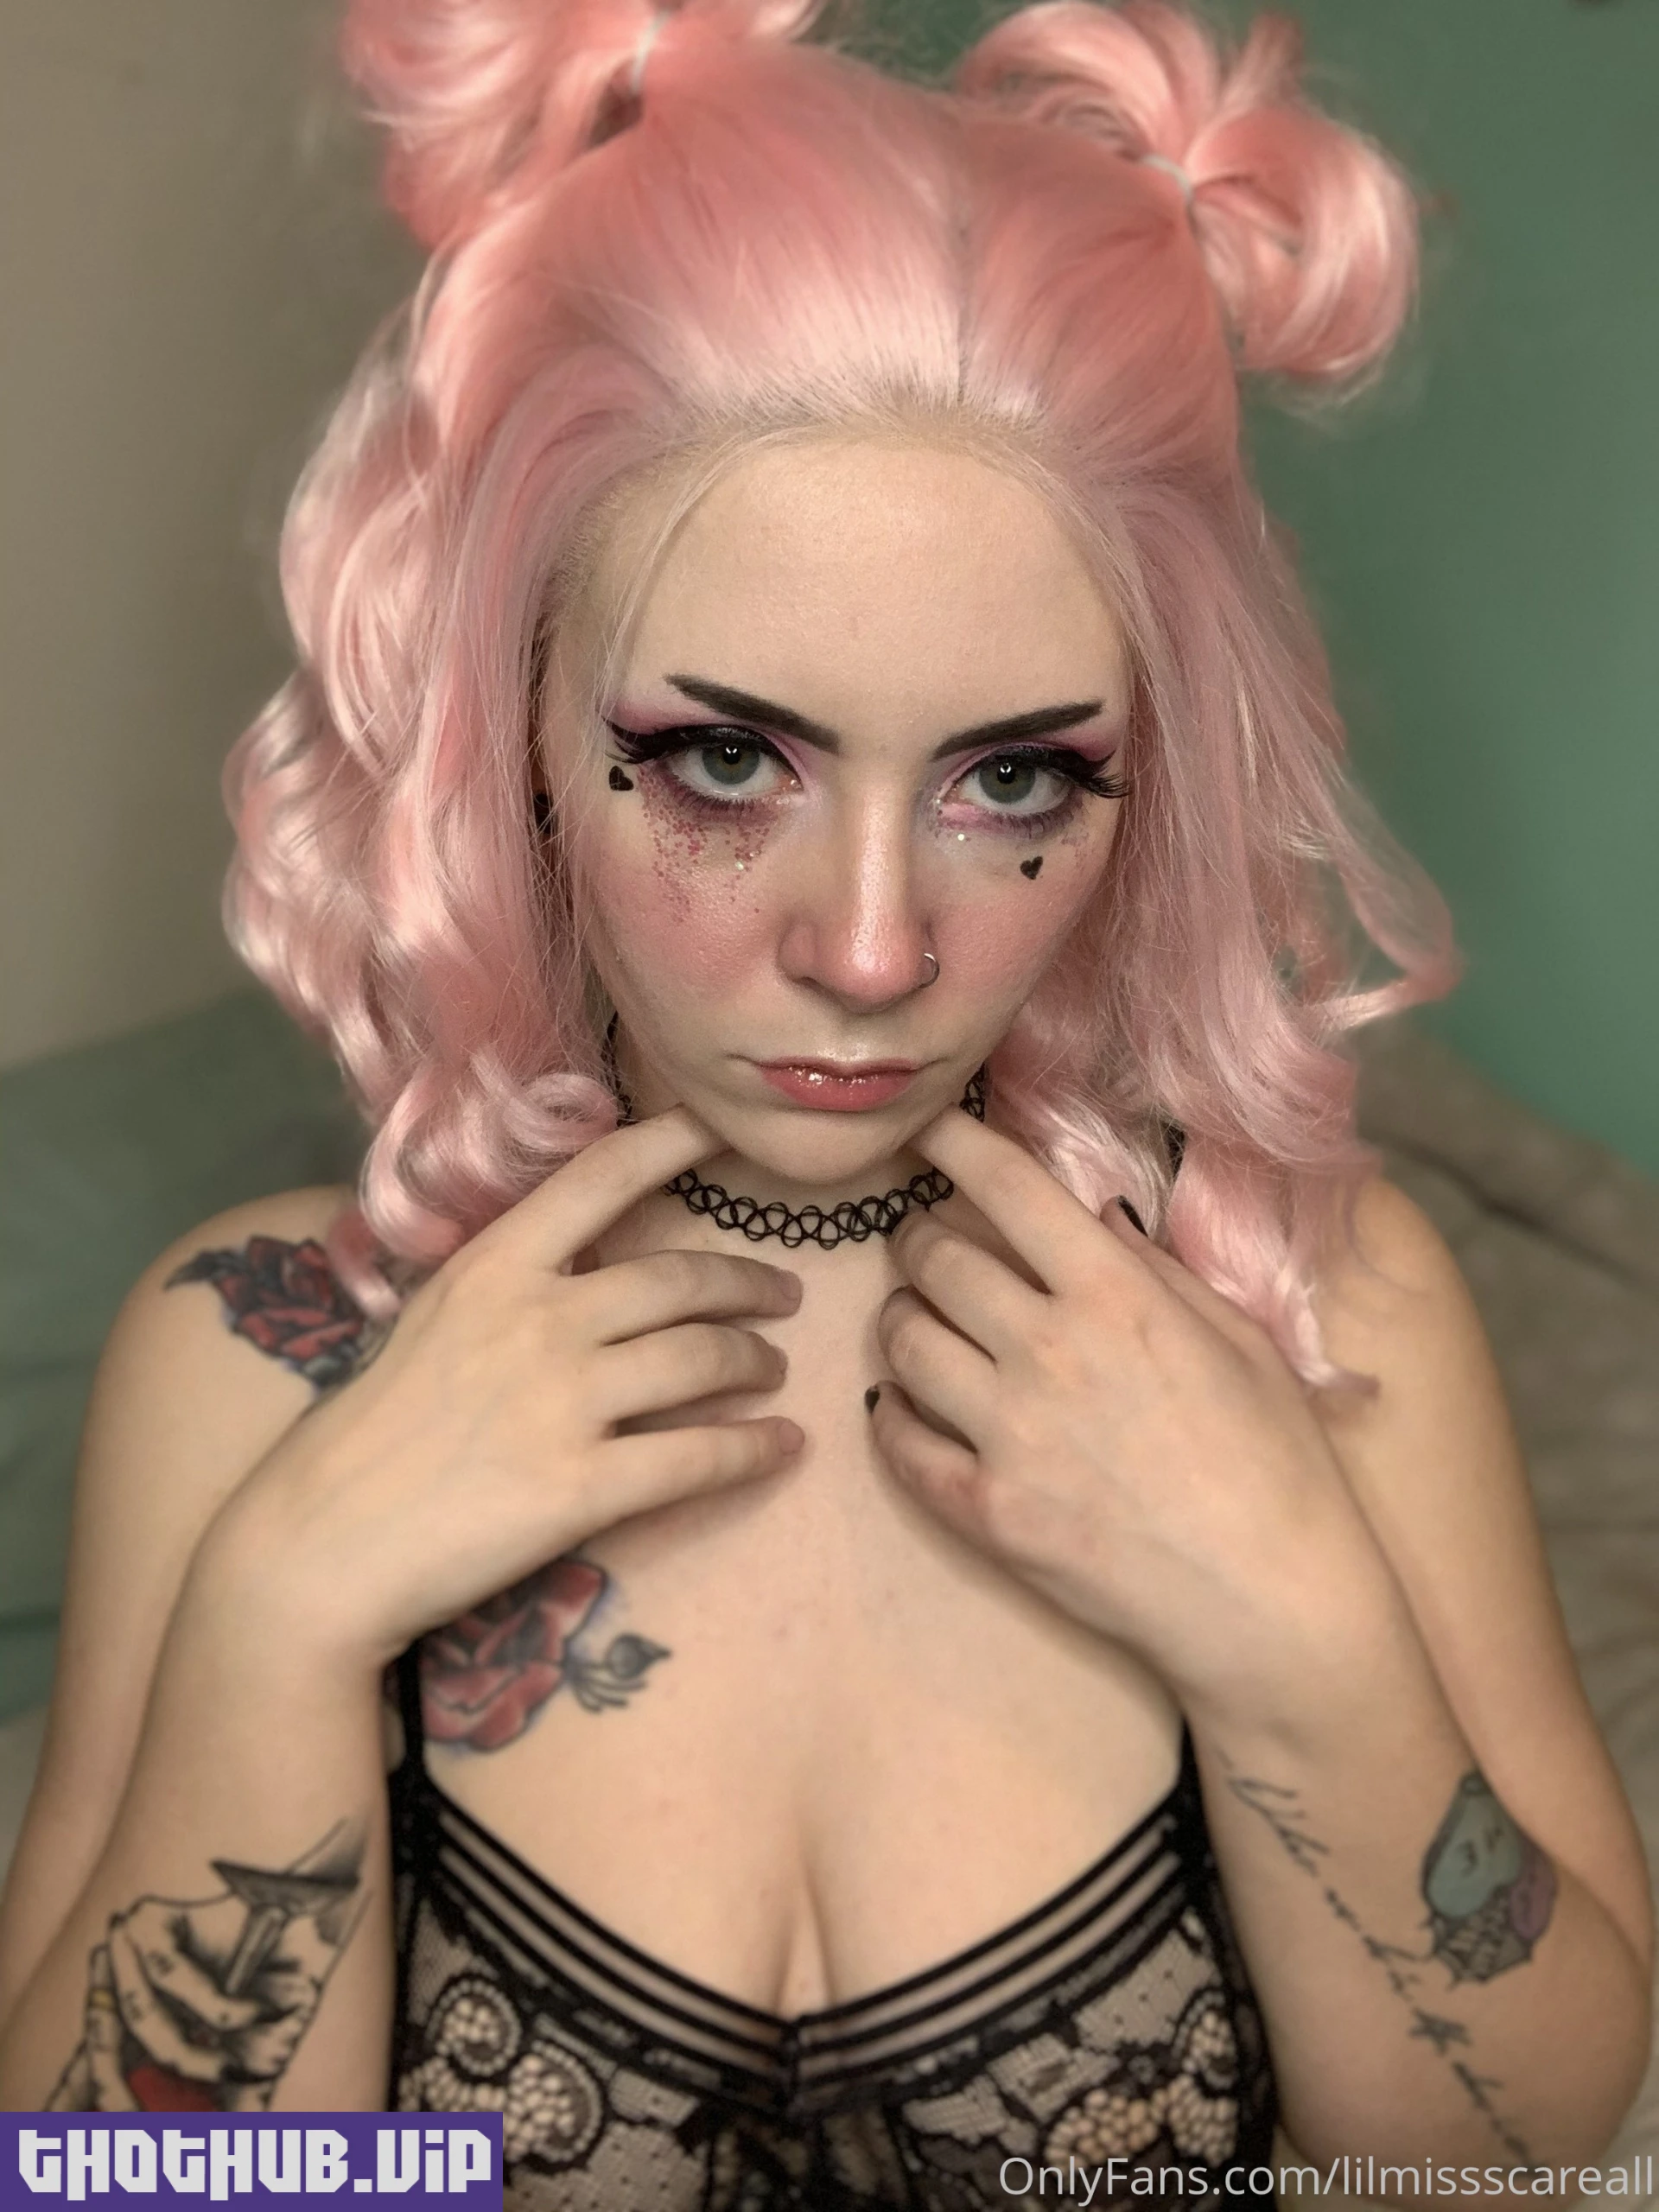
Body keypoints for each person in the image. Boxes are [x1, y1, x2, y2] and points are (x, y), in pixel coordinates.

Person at [0, 0, 1649, 2193]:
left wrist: (1310, 1651)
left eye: (1012, 779)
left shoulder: (1319, 1315)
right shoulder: (253, 1365)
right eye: (723, 759)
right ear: (509, 727)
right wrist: (279, 1620)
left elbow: (1505, 2164)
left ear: (1149, 776)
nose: (871, 948)